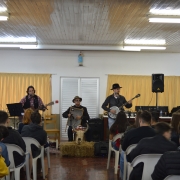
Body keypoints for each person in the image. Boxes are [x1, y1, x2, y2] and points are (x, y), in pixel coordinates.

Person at [120, 110, 156, 178]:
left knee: (122, 154)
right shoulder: (156, 134)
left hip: (134, 161)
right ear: (150, 121)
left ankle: (123, 177)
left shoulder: (130, 133)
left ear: (140, 120)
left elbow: (124, 148)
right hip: (152, 161)